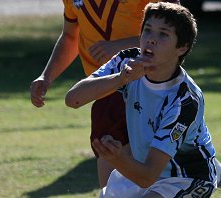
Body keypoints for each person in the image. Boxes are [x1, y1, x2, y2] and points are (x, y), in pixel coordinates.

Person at [65, 2, 218, 197]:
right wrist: (121, 78)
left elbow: (148, 176)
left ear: (182, 47)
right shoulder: (126, 61)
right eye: (147, 30)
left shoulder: (184, 100)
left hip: (186, 178)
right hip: (144, 173)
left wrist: (117, 157)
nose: (151, 40)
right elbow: (73, 99)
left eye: (163, 34)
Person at [30, 0, 179, 188]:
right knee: (111, 172)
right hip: (105, 93)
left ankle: (206, 170)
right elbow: (70, 37)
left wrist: (121, 46)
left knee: (157, 171)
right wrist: (47, 76)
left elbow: (178, 33)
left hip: (149, 88)